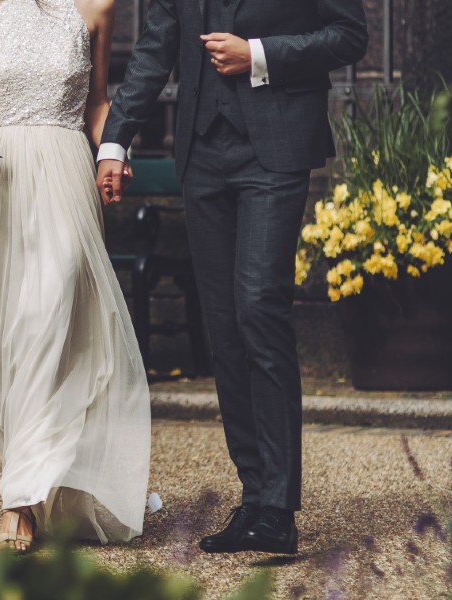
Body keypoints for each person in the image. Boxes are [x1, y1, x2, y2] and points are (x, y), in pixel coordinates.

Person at [96, 0, 367, 554]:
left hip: (275, 150)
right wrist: (114, 140)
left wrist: (259, 55)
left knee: (259, 308)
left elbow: (348, 35)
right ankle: (254, 496)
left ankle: (278, 509)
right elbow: (153, 51)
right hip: (203, 156)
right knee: (223, 327)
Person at [0, 0, 151, 552]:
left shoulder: (97, 8)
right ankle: (32, 486)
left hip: (64, 172)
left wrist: (114, 151)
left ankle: (19, 499)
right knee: (17, 329)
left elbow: (98, 103)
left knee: (51, 313)